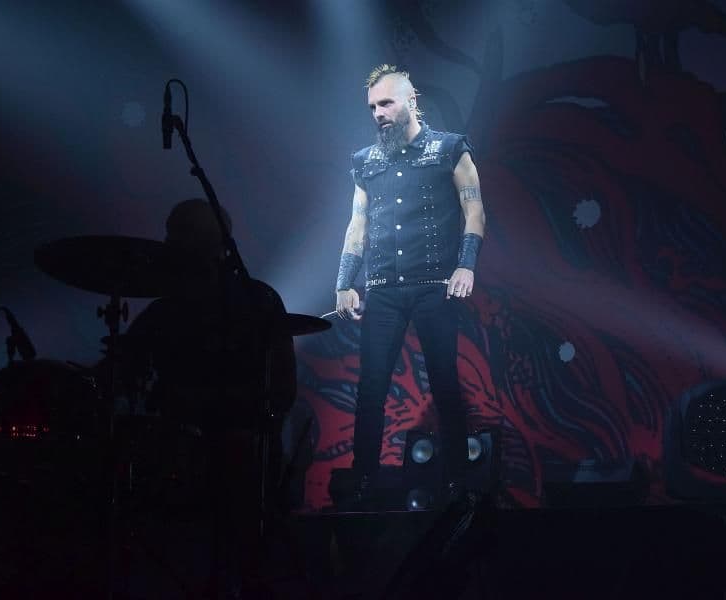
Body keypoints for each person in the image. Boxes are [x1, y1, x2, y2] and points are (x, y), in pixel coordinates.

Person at [117, 198, 297, 595]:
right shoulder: (172, 310)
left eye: (177, 236)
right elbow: (124, 368)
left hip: (231, 455)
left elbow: (282, 390)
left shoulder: (255, 302)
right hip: (196, 452)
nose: (168, 244)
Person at [335, 65, 486, 505]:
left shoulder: (448, 148)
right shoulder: (366, 162)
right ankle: (363, 481)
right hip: (382, 288)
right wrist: (344, 282)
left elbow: (474, 211)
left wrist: (466, 266)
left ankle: (456, 481)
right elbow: (357, 225)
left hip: (434, 285)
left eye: (386, 103)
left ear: (411, 101)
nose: (378, 113)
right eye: (372, 107)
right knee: (371, 390)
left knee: (444, 383)